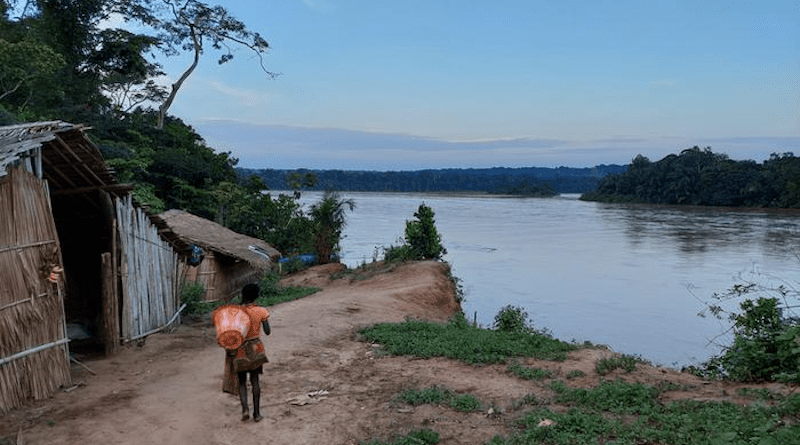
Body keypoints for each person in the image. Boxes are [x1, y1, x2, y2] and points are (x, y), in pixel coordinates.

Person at [223, 283, 271, 422]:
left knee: (242, 381)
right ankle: (256, 414)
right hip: (256, 348)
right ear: (257, 296)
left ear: (243, 295)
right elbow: (267, 331)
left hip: (240, 349)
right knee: (255, 381)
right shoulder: (262, 311)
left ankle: (245, 409)